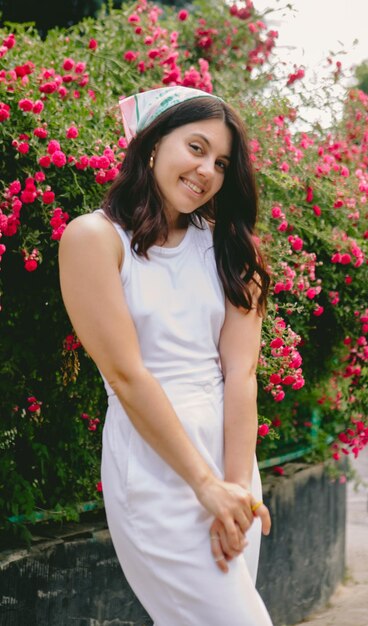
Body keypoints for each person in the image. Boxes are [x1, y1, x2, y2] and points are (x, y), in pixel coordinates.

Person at [59, 86, 273, 625]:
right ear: (152, 144)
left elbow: (241, 374)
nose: (207, 171)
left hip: (230, 462)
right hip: (156, 469)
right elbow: (127, 376)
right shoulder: (94, 238)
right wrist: (206, 488)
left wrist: (235, 491)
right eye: (196, 148)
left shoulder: (228, 248)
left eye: (221, 163)